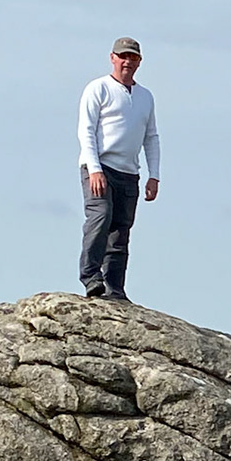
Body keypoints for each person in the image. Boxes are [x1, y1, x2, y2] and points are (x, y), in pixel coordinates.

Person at [76, 37, 161, 301]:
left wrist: (153, 175)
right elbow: (86, 129)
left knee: (121, 231)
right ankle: (91, 277)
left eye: (133, 57)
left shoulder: (145, 96)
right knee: (100, 218)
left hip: (129, 172)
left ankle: (115, 288)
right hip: (100, 167)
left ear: (139, 61)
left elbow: (151, 136)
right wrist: (95, 168)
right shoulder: (98, 88)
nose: (127, 62)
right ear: (113, 57)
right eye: (123, 56)